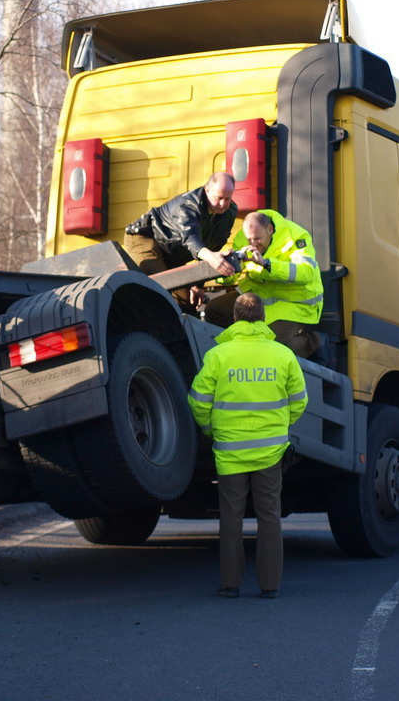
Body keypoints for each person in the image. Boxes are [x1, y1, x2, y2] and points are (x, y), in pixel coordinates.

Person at [187, 292, 307, 599]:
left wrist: (210, 429)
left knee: (231, 518)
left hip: (230, 453)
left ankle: (231, 585)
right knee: (269, 518)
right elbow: (299, 401)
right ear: (263, 318)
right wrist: (280, 427)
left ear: (236, 318)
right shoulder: (282, 355)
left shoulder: (218, 355)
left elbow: (198, 401)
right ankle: (270, 586)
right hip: (270, 452)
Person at [205, 209, 323, 358]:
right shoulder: (243, 237)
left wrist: (267, 264)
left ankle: (314, 342)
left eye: (257, 239)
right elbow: (231, 276)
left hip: (294, 304)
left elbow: (306, 273)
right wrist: (224, 268)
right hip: (259, 298)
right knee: (214, 310)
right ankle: (233, 356)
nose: (253, 243)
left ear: (270, 229)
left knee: (269, 346)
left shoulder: (295, 236)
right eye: (250, 240)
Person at [123, 172, 238, 310]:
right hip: (146, 238)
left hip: (173, 253)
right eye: (219, 198)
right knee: (162, 287)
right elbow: (190, 237)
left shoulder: (230, 211)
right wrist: (211, 257)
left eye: (228, 198)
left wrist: (198, 284)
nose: (223, 204)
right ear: (207, 190)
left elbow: (213, 245)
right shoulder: (187, 205)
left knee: (187, 300)